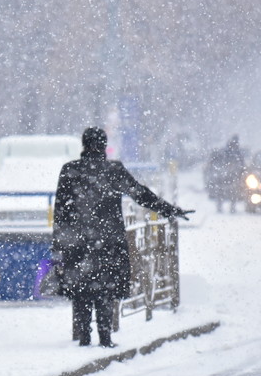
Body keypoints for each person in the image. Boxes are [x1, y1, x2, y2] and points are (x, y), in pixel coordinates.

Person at [52, 127, 193, 348]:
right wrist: (169, 210)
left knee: (82, 289)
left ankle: (84, 337)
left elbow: (60, 210)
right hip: (108, 240)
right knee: (106, 288)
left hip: (78, 241)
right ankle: (105, 337)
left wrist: (60, 244)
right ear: (103, 145)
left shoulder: (70, 170)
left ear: (84, 145)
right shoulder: (113, 170)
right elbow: (140, 194)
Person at [204, 135, 246, 213]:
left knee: (225, 192)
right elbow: (241, 164)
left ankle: (223, 207)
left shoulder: (227, 152)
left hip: (226, 176)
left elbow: (241, 164)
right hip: (229, 176)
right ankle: (228, 207)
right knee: (230, 192)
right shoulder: (234, 153)